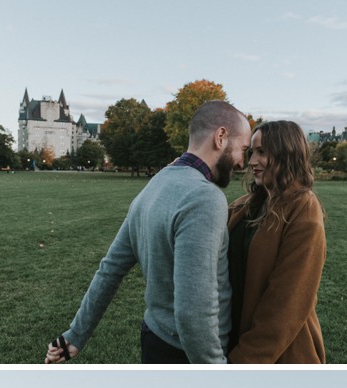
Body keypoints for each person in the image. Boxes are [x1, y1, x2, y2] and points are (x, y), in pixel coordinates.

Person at [46, 101, 252, 364]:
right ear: (221, 137)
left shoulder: (154, 185)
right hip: (189, 356)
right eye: (243, 149)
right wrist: (214, 369)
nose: (242, 161)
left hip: (154, 341)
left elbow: (109, 270)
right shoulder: (204, 198)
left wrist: (76, 335)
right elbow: (193, 312)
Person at [226, 120, 326, 363]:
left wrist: (244, 360)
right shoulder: (246, 204)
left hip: (280, 355)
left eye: (262, 152)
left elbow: (287, 303)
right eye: (251, 152)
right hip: (233, 338)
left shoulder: (303, 208)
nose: (251, 162)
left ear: (286, 154)